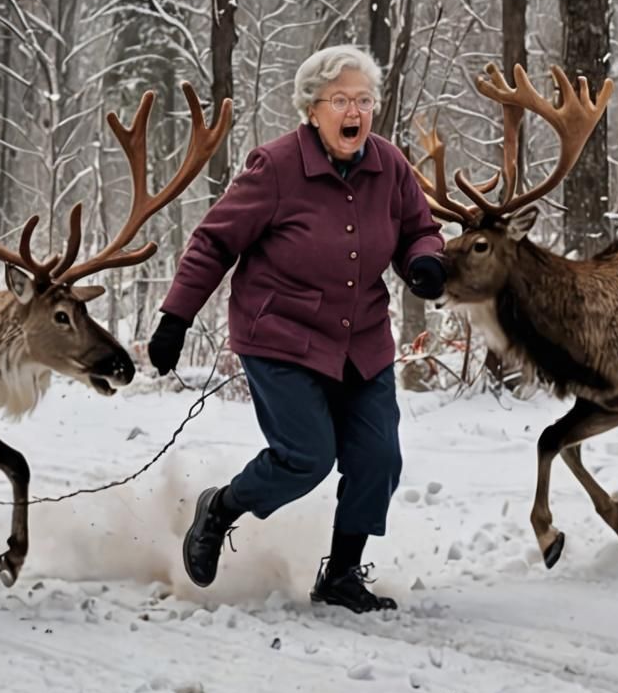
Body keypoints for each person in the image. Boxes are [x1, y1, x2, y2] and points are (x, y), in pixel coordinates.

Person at [148, 45, 447, 613]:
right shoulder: (276, 166)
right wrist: (175, 317)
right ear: (312, 110)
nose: (353, 110)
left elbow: (418, 230)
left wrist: (424, 262)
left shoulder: (391, 167)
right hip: (282, 335)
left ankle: (340, 576)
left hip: (361, 341)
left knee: (377, 457)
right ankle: (221, 509)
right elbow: (215, 241)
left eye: (363, 99)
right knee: (306, 456)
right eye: (340, 100)